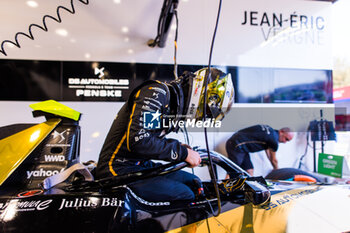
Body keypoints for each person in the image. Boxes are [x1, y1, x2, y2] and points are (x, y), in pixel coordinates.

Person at [96, 67, 234, 201]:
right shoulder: (155, 92)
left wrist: (182, 148)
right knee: (185, 194)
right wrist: (183, 153)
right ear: (201, 93)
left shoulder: (169, 103)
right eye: (208, 111)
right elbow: (139, 140)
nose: (204, 116)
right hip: (116, 169)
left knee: (194, 182)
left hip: (138, 165)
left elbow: (149, 137)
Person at [225, 125, 294, 176]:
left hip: (242, 147)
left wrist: (273, 167)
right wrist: (278, 172)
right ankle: (223, 192)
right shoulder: (274, 141)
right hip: (236, 145)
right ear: (281, 132)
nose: (285, 142)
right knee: (232, 171)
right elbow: (274, 160)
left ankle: (251, 190)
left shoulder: (271, 131)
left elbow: (268, 151)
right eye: (286, 139)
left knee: (249, 170)